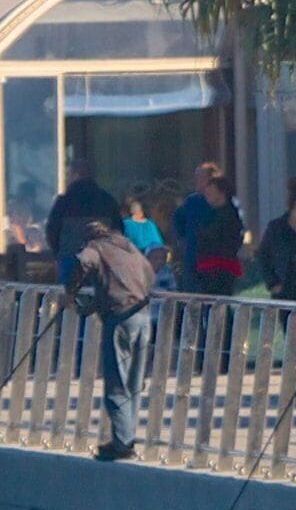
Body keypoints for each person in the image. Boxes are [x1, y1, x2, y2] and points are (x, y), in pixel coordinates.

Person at [68, 204, 157, 462]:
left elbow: (83, 262)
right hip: (143, 315)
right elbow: (149, 273)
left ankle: (122, 443)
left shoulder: (95, 247)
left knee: (117, 383)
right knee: (134, 383)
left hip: (120, 318)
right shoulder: (127, 247)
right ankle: (126, 436)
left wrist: (70, 293)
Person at [173, 164, 248, 297]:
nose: (198, 182)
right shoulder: (192, 201)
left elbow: (235, 234)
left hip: (219, 267)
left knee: (216, 304)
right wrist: (183, 241)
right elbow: (178, 220)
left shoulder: (229, 209)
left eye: (202, 178)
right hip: (194, 261)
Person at [43, 154, 122, 267]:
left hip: (70, 257)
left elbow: (52, 230)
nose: (67, 178)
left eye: (68, 174)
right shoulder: (108, 201)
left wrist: (60, 254)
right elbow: (118, 230)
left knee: (70, 284)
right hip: (102, 259)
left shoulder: (64, 202)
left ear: (76, 175)